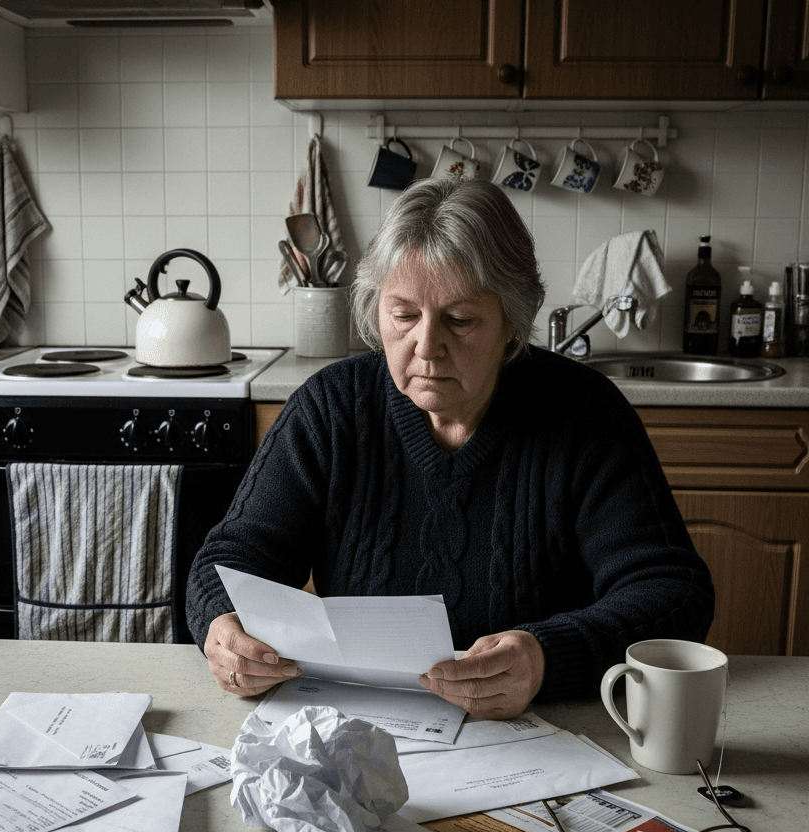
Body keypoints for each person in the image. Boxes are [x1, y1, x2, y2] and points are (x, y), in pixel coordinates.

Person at [186, 177, 714, 719]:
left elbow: (672, 592)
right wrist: (223, 626)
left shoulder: (585, 414)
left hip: (546, 730)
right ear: (376, 310)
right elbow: (229, 559)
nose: (427, 346)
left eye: (460, 320)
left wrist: (546, 658)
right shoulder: (331, 407)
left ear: (511, 322)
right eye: (404, 314)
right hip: (365, 726)